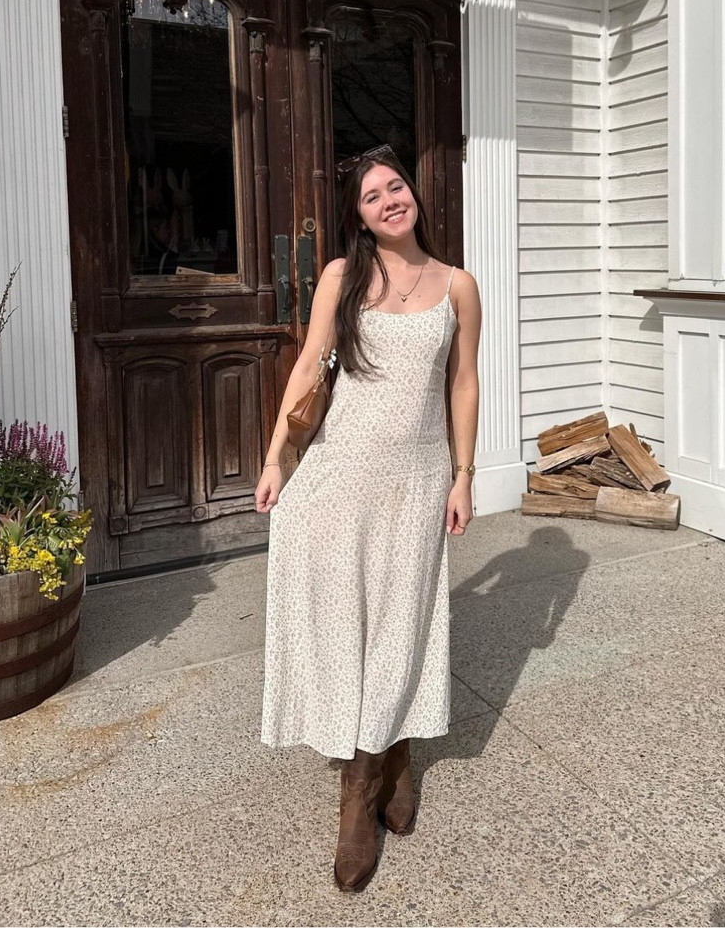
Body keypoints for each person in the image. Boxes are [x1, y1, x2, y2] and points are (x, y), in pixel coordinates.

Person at [255, 143, 481, 892]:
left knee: (400, 619)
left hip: (415, 480)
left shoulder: (457, 285)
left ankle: (380, 765)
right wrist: (275, 457)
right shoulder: (342, 278)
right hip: (339, 471)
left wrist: (463, 474)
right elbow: (309, 363)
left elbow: (463, 382)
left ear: (412, 192)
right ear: (357, 215)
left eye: (396, 185)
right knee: (337, 618)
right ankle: (370, 768)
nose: (390, 199)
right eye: (372, 195)